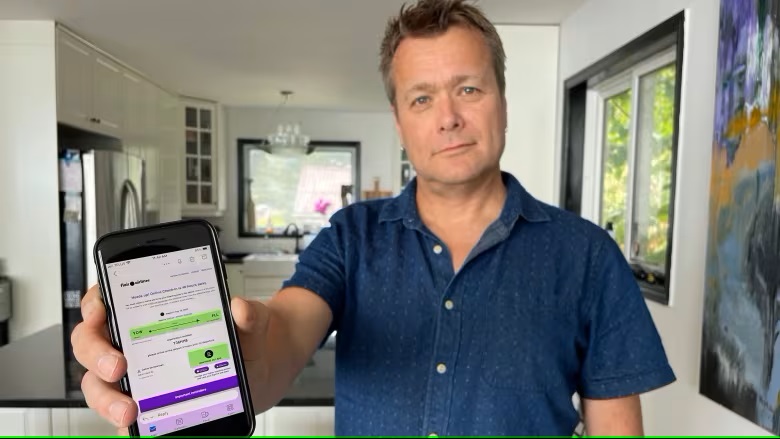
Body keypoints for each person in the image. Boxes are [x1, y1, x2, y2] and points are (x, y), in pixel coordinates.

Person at [70, 0, 676, 435]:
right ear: (400, 121)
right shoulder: (350, 238)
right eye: (422, 98)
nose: (448, 117)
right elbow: (282, 339)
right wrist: (228, 357)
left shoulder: (588, 256)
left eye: (469, 89)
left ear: (503, 101)